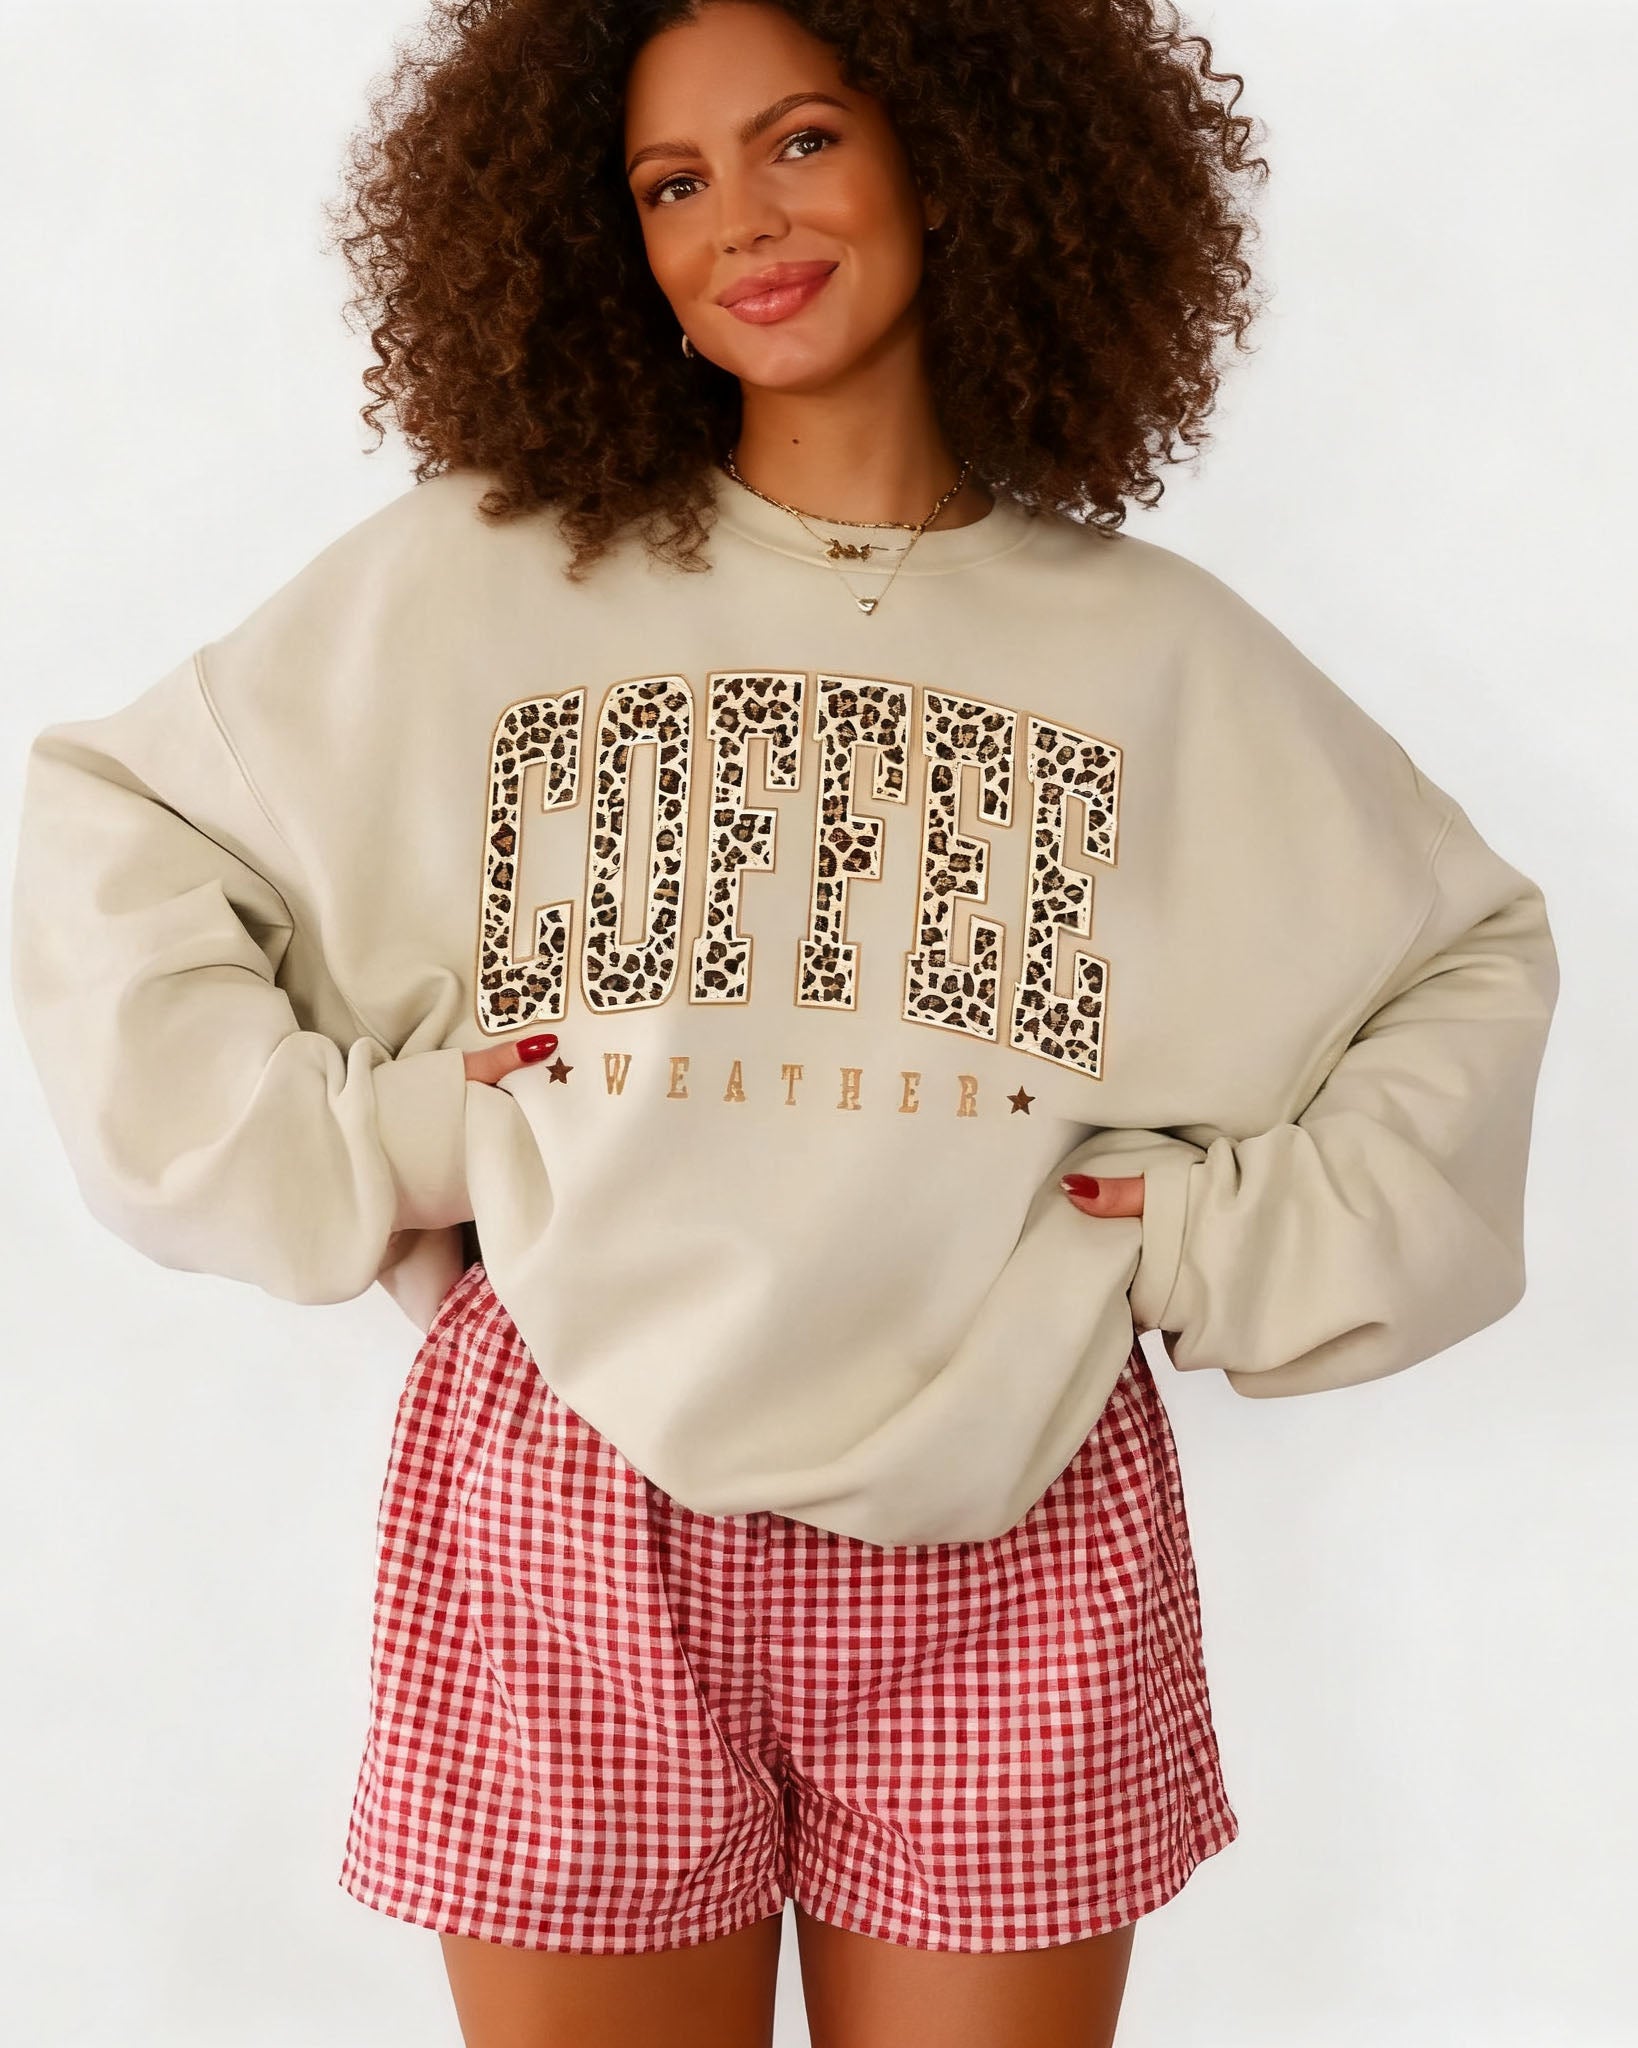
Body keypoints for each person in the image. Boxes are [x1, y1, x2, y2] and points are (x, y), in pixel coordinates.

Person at [7, 2, 1559, 2044]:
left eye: (800, 140)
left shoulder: (1154, 654)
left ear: (957, 153)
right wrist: (385, 1140)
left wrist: (1202, 1240)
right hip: (573, 1502)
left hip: (1012, 1518)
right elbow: (115, 825)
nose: (738, 219)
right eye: (670, 182)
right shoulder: (491, 579)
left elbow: (1462, 956)